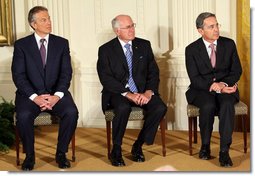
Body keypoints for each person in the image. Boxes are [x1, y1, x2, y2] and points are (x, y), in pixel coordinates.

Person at [11, 6, 78, 171]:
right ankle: (30, 156)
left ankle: (61, 153)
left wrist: (56, 96)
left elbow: (66, 73)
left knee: (71, 112)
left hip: (56, 94)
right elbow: (19, 76)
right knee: (24, 115)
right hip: (30, 95)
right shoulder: (21, 45)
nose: (49, 22)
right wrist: (35, 97)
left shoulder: (61, 43)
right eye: (43, 20)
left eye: (49, 18)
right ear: (33, 24)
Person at [97, 14, 167, 167]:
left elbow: (153, 72)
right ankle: (116, 149)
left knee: (160, 107)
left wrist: (149, 92)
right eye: (127, 27)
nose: (132, 29)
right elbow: (106, 78)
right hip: (118, 92)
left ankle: (138, 145)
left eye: (132, 25)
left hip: (142, 91)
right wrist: (128, 94)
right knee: (123, 107)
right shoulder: (106, 50)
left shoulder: (144, 45)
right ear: (117, 31)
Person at [185, 12, 242, 167]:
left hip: (227, 88)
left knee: (227, 105)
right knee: (208, 105)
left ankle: (224, 151)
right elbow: (194, 78)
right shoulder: (191, 49)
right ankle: (205, 145)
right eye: (211, 26)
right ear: (200, 30)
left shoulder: (229, 44)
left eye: (217, 25)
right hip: (201, 89)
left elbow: (236, 71)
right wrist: (213, 86)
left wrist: (223, 85)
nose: (216, 29)